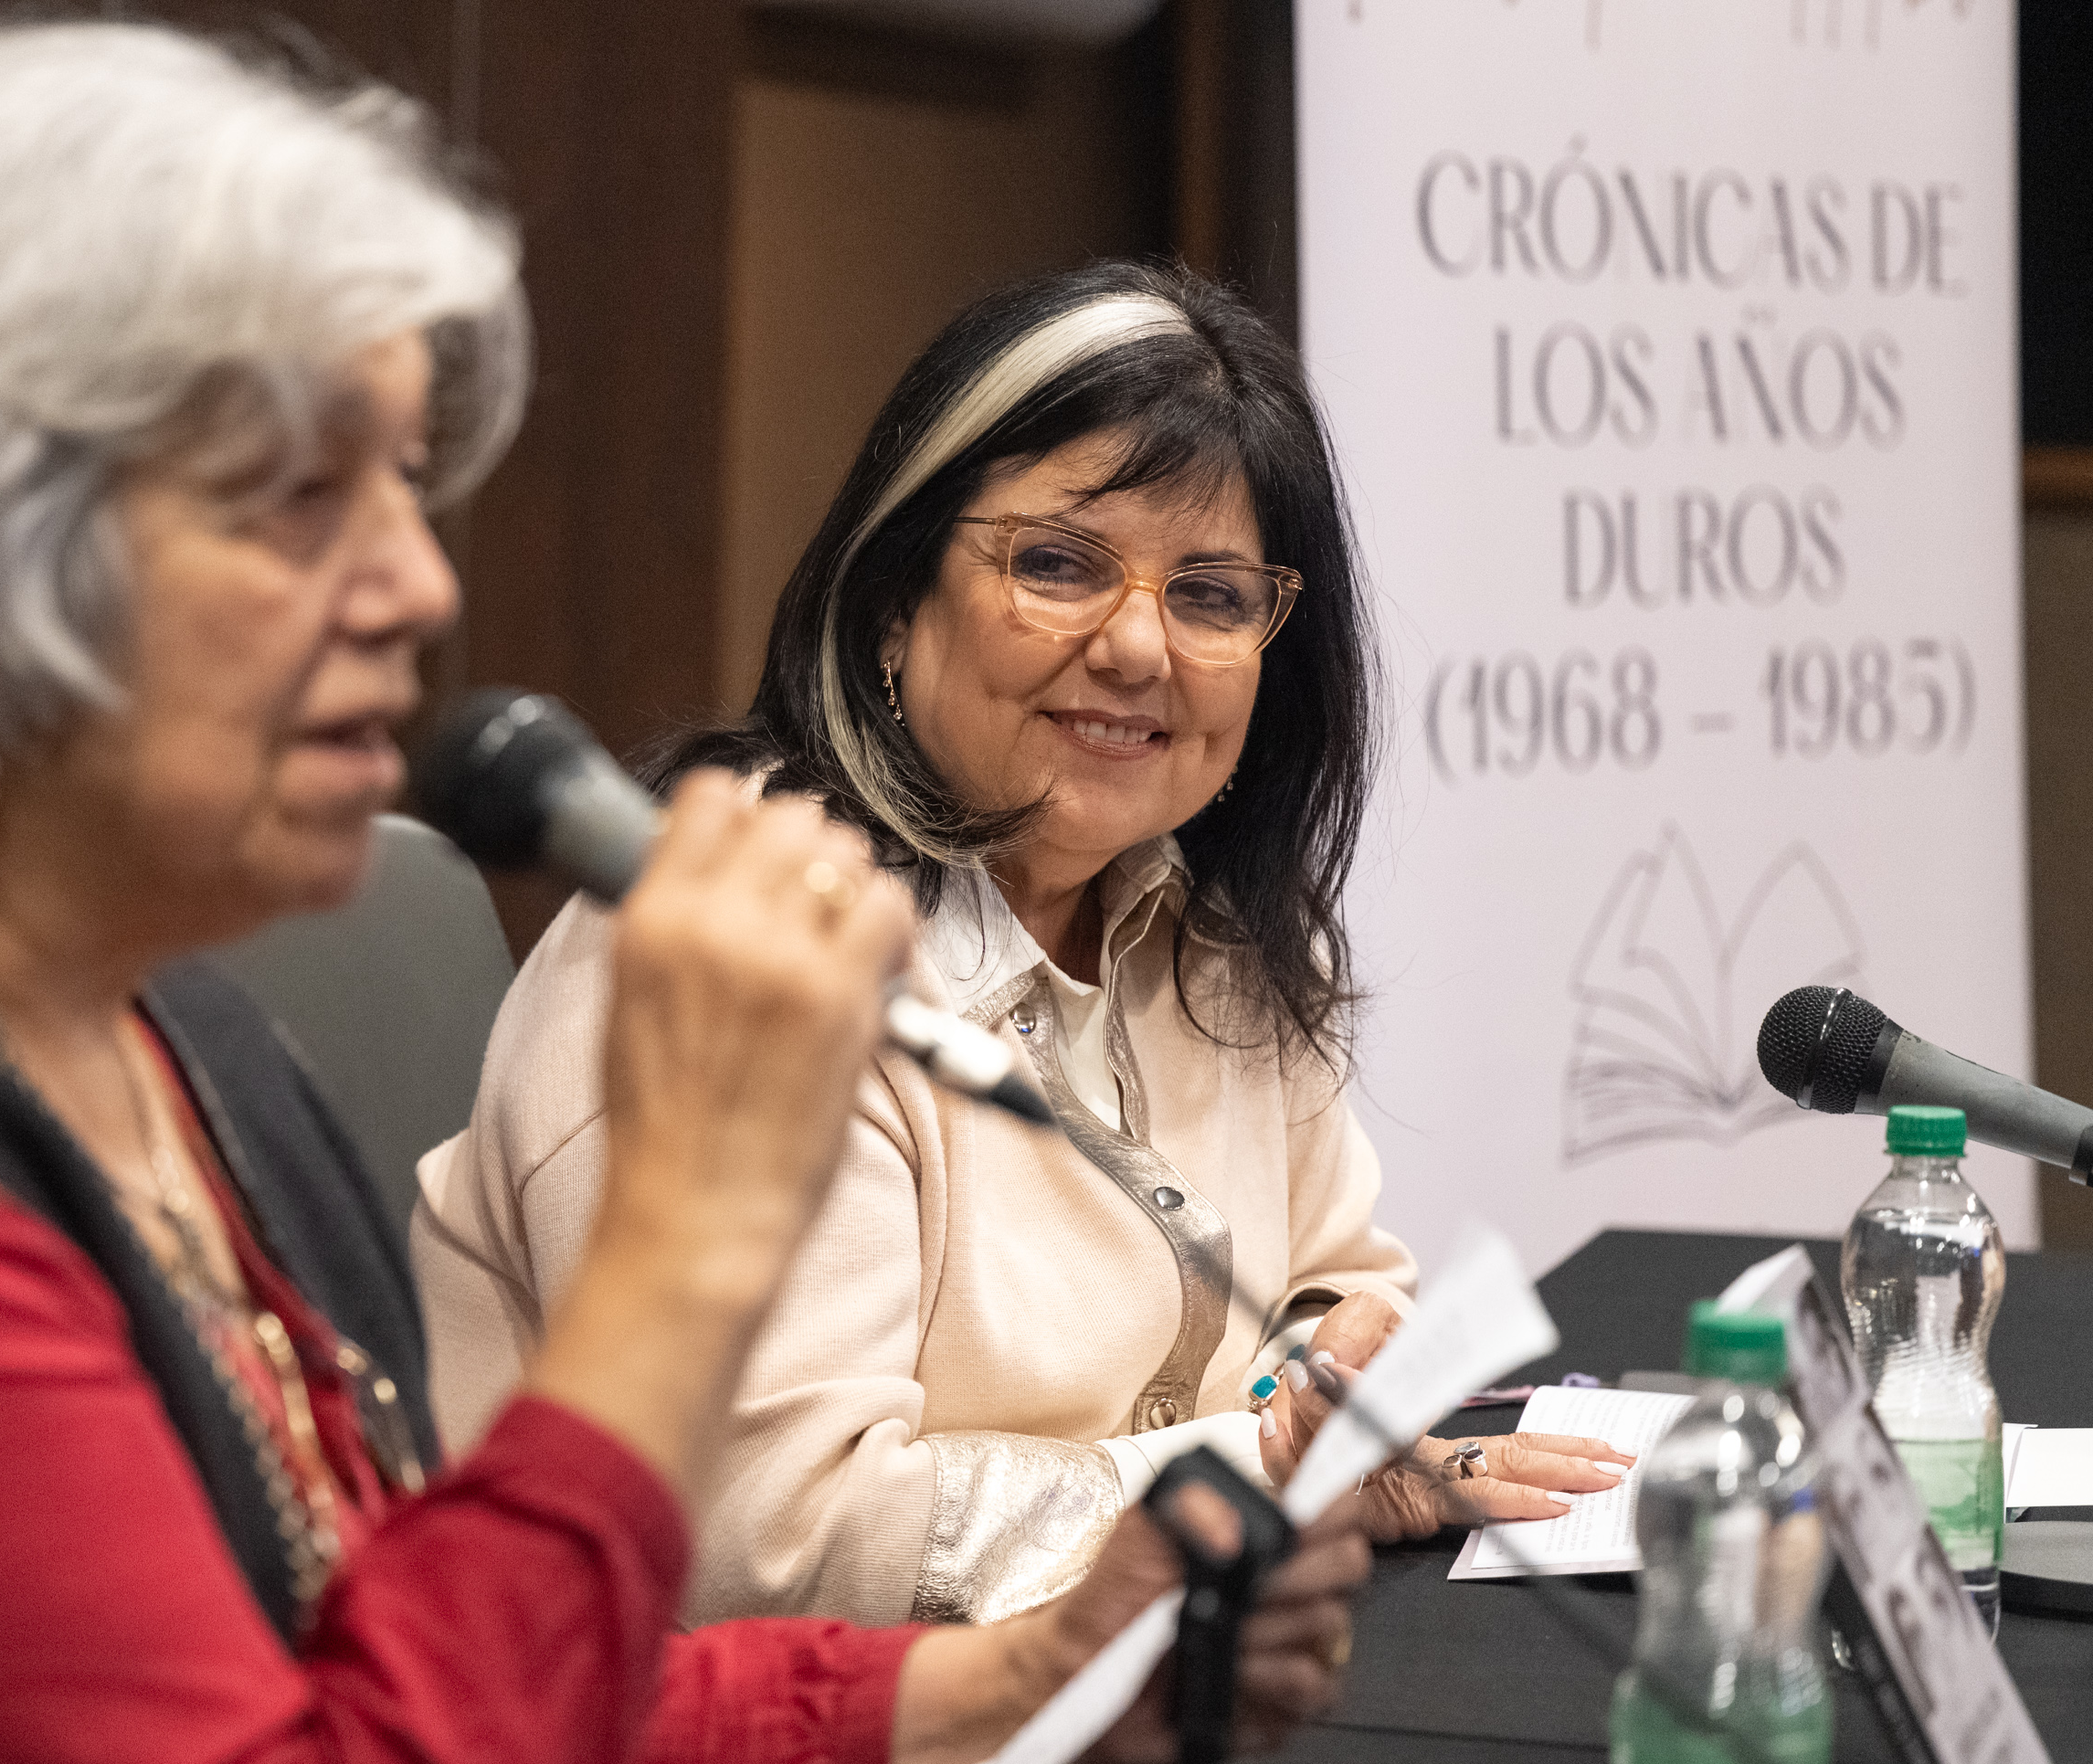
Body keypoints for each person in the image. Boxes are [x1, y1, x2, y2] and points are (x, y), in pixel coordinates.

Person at [0, 31, 1371, 1764]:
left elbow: (436, 1693)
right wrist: (680, 1238)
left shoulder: (172, 1042)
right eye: (296, 496)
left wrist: (1022, 1682)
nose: (417, 586)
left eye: (409, 486)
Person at [414, 261, 1633, 1630]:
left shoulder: (1215, 927)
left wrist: (1322, 1369)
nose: (1137, 646)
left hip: (1091, 1693)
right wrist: (1276, 1475)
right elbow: (780, 1547)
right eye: (1057, 564)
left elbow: (1332, 1284)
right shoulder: (733, 936)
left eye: (1212, 596)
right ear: (892, 602)